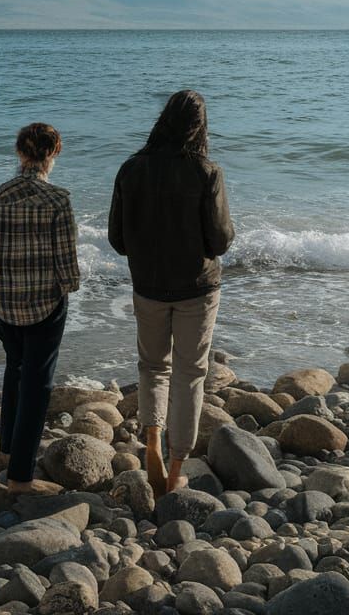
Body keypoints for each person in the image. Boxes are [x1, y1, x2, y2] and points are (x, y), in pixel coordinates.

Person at [108, 90, 235, 497]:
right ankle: (178, 462)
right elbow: (218, 241)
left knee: (152, 367)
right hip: (196, 288)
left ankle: (151, 445)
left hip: (148, 285)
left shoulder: (131, 168)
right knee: (190, 373)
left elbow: (117, 239)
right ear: (200, 126)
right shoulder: (206, 171)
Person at [0, 122, 80, 495]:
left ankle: (8, 450)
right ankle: (21, 478)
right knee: (37, 383)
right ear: (54, 153)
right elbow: (69, 269)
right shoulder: (58, 199)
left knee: (15, 367)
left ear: (19, 153)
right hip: (44, 305)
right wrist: (64, 289)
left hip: (1, 305)